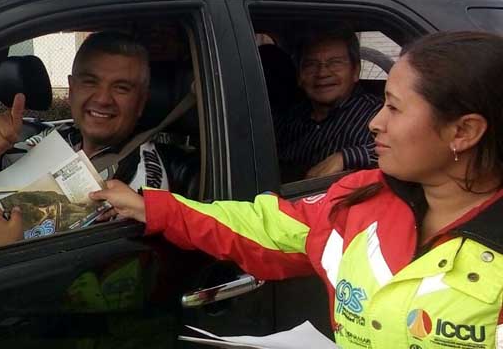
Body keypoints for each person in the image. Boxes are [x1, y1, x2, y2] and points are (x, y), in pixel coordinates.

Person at [90, 31, 503, 348]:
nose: (375, 123)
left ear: (463, 131)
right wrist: (155, 209)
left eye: (393, 107)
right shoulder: (360, 201)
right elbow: (261, 227)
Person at [0, 31, 184, 247]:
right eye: (90, 82)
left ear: (141, 103)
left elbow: (100, 274)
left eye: (121, 88)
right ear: (71, 90)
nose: (102, 99)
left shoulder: (140, 180)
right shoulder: (60, 136)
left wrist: (11, 253)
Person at [275, 26, 383, 180]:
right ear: (299, 76)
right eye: (311, 64)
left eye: (335, 63)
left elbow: (403, 149)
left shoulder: (375, 113)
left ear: (355, 71)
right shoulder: (289, 116)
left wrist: (345, 157)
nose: (322, 73)